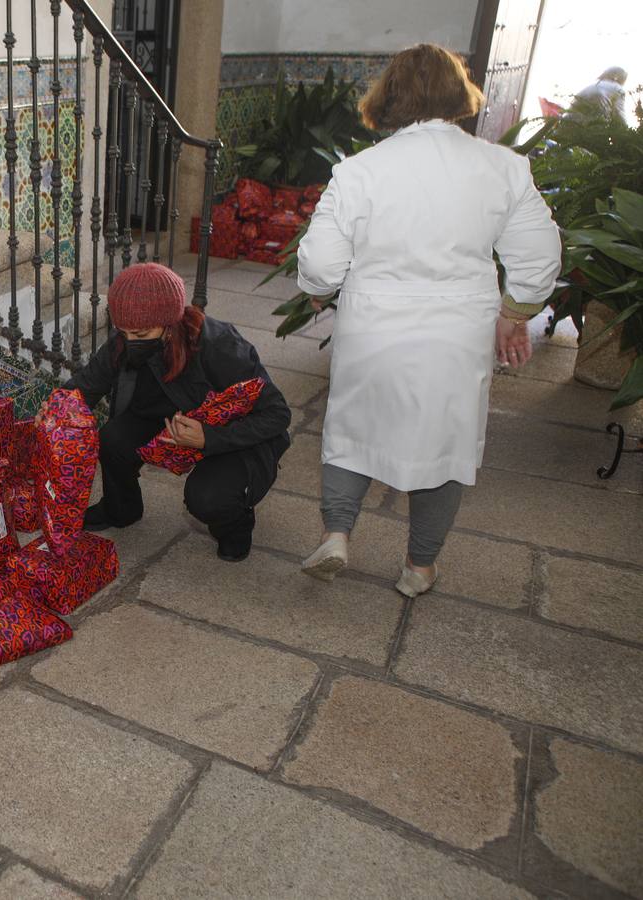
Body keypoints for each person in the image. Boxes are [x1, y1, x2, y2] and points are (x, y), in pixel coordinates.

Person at [295, 43, 561, 597]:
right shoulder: (504, 169)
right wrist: (516, 312)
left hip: (374, 326)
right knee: (446, 445)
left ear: (387, 97)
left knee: (351, 431)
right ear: (458, 94)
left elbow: (321, 263)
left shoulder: (359, 172)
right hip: (458, 333)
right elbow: (538, 254)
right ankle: (418, 568)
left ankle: (337, 534)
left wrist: (319, 291)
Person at [65, 263, 292, 562]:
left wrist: (208, 437)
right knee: (112, 439)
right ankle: (122, 509)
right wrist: (58, 408)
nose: (131, 340)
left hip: (230, 432)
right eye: (124, 332)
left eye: (142, 332)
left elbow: (277, 415)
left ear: (170, 322)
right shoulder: (128, 339)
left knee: (206, 498)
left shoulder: (220, 345)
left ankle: (236, 525)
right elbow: (86, 385)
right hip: (169, 422)